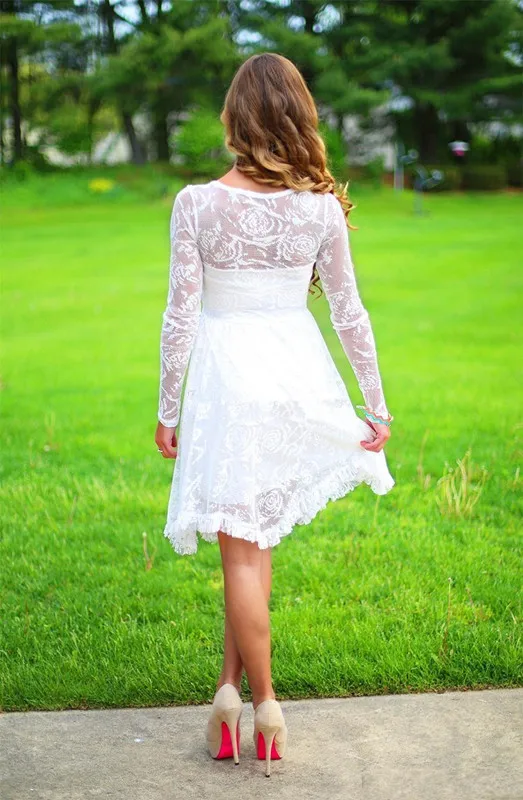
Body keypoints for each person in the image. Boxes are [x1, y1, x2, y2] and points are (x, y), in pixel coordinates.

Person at [154, 52, 394, 776]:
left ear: (234, 119)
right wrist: (373, 402)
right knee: (252, 548)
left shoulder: (196, 203)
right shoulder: (319, 208)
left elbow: (179, 317)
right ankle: (225, 693)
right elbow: (348, 313)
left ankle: (263, 705)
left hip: (227, 379)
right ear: (297, 119)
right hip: (294, 373)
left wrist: (167, 408)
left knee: (241, 549)